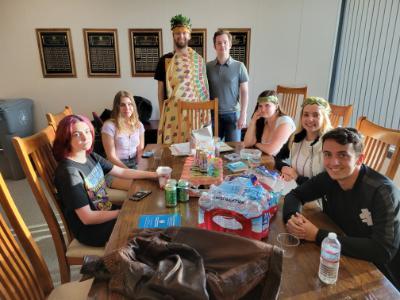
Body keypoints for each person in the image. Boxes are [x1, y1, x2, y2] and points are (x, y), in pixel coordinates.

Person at [283, 127, 400, 288]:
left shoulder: (383, 192)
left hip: (380, 275)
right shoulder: (328, 177)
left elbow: (383, 251)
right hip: (339, 256)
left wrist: (317, 235)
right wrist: (293, 218)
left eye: (343, 155)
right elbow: (294, 195)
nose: (333, 163)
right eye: (327, 154)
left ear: (359, 159)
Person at [53, 115, 158, 247]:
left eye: (87, 131)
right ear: (66, 139)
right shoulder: (69, 173)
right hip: (92, 230)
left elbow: (122, 172)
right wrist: (122, 212)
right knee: (149, 227)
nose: (85, 137)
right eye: (76, 134)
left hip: (106, 212)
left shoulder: (89, 155)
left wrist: (154, 175)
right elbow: (87, 218)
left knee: (151, 213)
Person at [156, 14, 209, 144]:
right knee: (172, 150)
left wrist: (205, 114)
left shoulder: (198, 60)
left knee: (193, 153)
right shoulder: (165, 60)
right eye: (177, 33)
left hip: (194, 114)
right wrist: (163, 113)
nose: (181, 36)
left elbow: (203, 89)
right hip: (172, 113)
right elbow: (161, 89)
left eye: (184, 33)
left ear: (189, 35)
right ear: (173, 35)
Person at [275, 97, 332, 185]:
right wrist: (284, 168)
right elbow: (277, 158)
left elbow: (324, 185)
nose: (310, 119)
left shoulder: (329, 144)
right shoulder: (296, 137)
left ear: (324, 118)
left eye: (316, 115)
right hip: (295, 189)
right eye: (306, 114)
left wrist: (296, 177)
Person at [206, 30, 249, 142]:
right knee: (213, 150)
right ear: (214, 46)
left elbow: (244, 92)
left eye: (225, 42)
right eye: (219, 43)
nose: (222, 45)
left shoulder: (239, 66)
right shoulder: (207, 67)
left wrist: (243, 115)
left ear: (230, 44)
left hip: (233, 115)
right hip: (213, 115)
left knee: (233, 151)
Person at [101, 90, 144, 190]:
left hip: (134, 165)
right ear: (117, 107)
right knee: (137, 187)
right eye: (122, 105)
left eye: (130, 104)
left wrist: (141, 168)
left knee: (150, 183)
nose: (127, 108)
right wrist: (129, 172)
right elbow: (111, 157)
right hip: (115, 168)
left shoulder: (139, 125)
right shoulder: (109, 126)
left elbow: (140, 150)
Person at [243, 90, 295, 155]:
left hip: (282, 163)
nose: (263, 110)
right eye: (260, 106)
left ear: (276, 106)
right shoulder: (262, 120)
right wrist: (253, 121)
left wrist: (256, 144)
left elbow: (271, 150)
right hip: (264, 159)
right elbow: (247, 143)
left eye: (267, 105)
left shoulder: (285, 122)